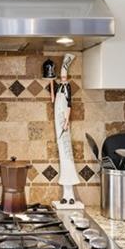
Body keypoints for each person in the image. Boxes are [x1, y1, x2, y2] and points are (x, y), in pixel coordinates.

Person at [49, 53, 81, 208]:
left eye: (64, 77)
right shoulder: (58, 87)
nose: (62, 79)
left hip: (63, 120)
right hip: (58, 117)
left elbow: (69, 105)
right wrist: (50, 83)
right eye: (61, 77)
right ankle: (67, 195)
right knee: (64, 151)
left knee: (66, 152)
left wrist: (67, 120)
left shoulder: (67, 88)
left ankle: (70, 195)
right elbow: (53, 100)